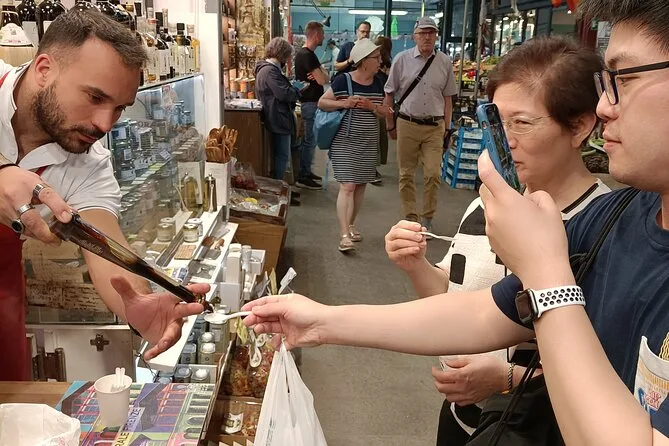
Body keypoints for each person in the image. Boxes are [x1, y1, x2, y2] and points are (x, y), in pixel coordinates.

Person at [242, 0, 669, 442]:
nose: (605, 107)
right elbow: (480, 311)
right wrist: (322, 322)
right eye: (606, 83)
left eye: (625, 79)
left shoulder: (580, 220)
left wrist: (546, 276)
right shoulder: (612, 219)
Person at [385, 36, 610, 445]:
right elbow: (455, 298)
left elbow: (610, 374)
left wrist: (508, 378)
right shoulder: (489, 205)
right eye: (496, 122)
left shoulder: (604, 230)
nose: (504, 141)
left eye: (521, 123)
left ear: (580, 126)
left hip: (533, 429)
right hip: (464, 418)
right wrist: (415, 264)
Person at [0, 10, 208, 380]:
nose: (104, 124)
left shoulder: (89, 164)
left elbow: (107, 249)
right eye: (95, 97)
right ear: (44, 70)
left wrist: (139, 304)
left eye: (119, 108)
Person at [317, 39, 393, 253]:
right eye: (376, 58)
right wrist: (344, 103)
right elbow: (322, 102)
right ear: (364, 61)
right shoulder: (343, 80)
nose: (380, 62)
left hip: (368, 141)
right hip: (345, 141)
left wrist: (372, 107)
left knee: (360, 185)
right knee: (348, 186)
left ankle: (350, 225)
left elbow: (386, 111)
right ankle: (343, 235)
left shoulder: (380, 82)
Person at [383, 17, 457, 232]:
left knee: (433, 174)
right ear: (415, 36)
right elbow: (389, 94)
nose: (427, 37)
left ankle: (428, 217)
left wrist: (448, 129)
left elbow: (448, 99)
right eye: (423, 33)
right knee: (406, 174)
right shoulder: (401, 60)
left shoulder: (444, 62)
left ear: (436, 36)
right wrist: (390, 124)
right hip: (407, 123)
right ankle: (411, 216)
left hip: (435, 126)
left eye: (431, 33)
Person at [255, 37, 300, 187]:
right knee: (282, 156)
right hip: (277, 118)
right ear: (282, 54)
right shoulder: (270, 71)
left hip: (275, 116)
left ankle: (280, 187)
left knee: (280, 156)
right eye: (287, 56)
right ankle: (278, 188)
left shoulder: (267, 70)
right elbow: (284, 94)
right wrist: (297, 90)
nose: (288, 60)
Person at [294, 21, 327, 190]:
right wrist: (320, 73)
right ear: (315, 35)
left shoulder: (308, 55)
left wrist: (321, 72)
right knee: (309, 140)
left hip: (311, 103)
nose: (324, 37)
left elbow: (325, 77)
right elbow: (322, 80)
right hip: (310, 103)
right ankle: (303, 175)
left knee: (310, 140)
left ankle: (307, 170)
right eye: (322, 34)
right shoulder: (307, 55)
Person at [373, 35, 393, 185]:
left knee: (376, 138)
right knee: (377, 138)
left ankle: (372, 168)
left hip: (376, 100)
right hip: (380, 101)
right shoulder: (387, 64)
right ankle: (371, 169)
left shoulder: (378, 63)